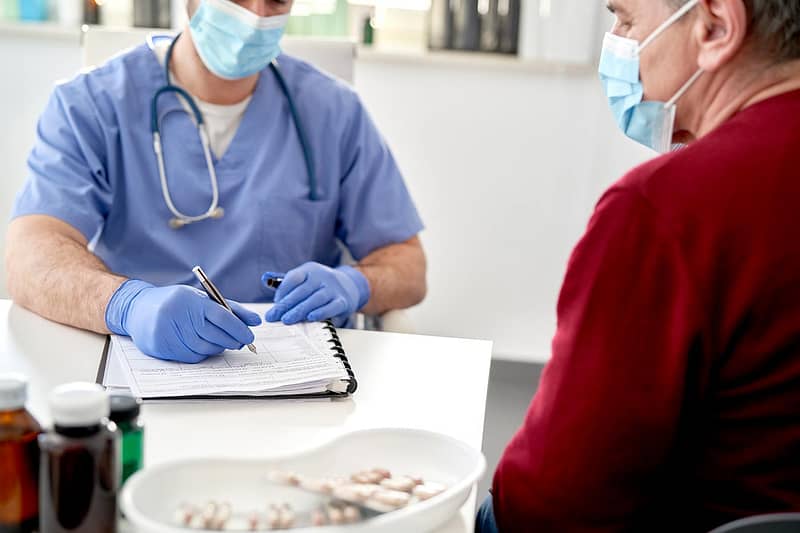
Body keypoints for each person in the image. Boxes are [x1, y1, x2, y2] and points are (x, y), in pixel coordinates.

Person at [482, 0, 800, 531]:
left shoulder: (666, 210)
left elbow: (554, 503)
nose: (617, 44)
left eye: (627, 20)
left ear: (716, 27)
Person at [5, 0, 426, 363]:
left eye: (275, 0)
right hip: (139, 364)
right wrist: (127, 305)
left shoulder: (333, 111)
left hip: (295, 378)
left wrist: (357, 283)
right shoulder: (92, 105)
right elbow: (29, 255)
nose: (255, 17)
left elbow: (409, 267)